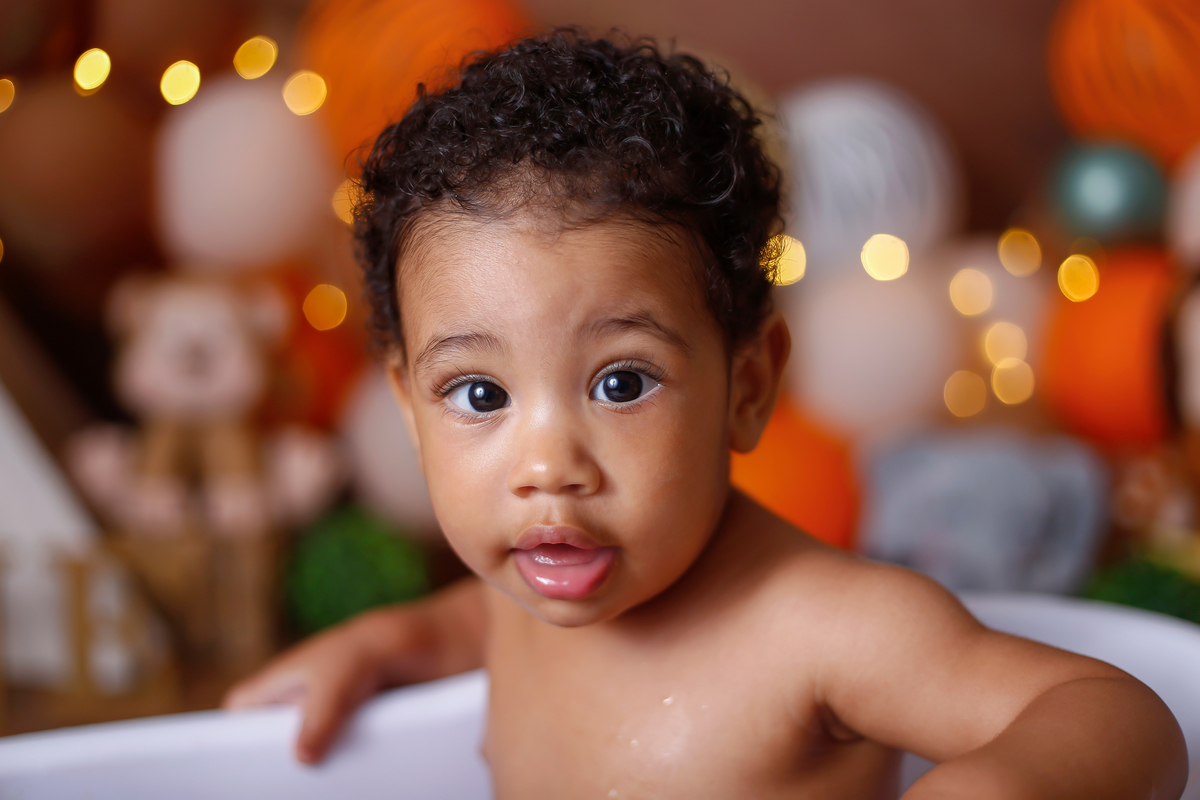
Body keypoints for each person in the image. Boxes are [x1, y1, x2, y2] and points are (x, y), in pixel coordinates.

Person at [224, 29, 1187, 799]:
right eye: (480, 396)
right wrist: (374, 648)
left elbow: (1118, 713)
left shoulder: (825, 629)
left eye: (621, 382)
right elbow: (461, 629)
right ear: (408, 404)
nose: (548, 463)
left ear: (750, 385)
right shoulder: (529, 587)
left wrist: (1007, 783)